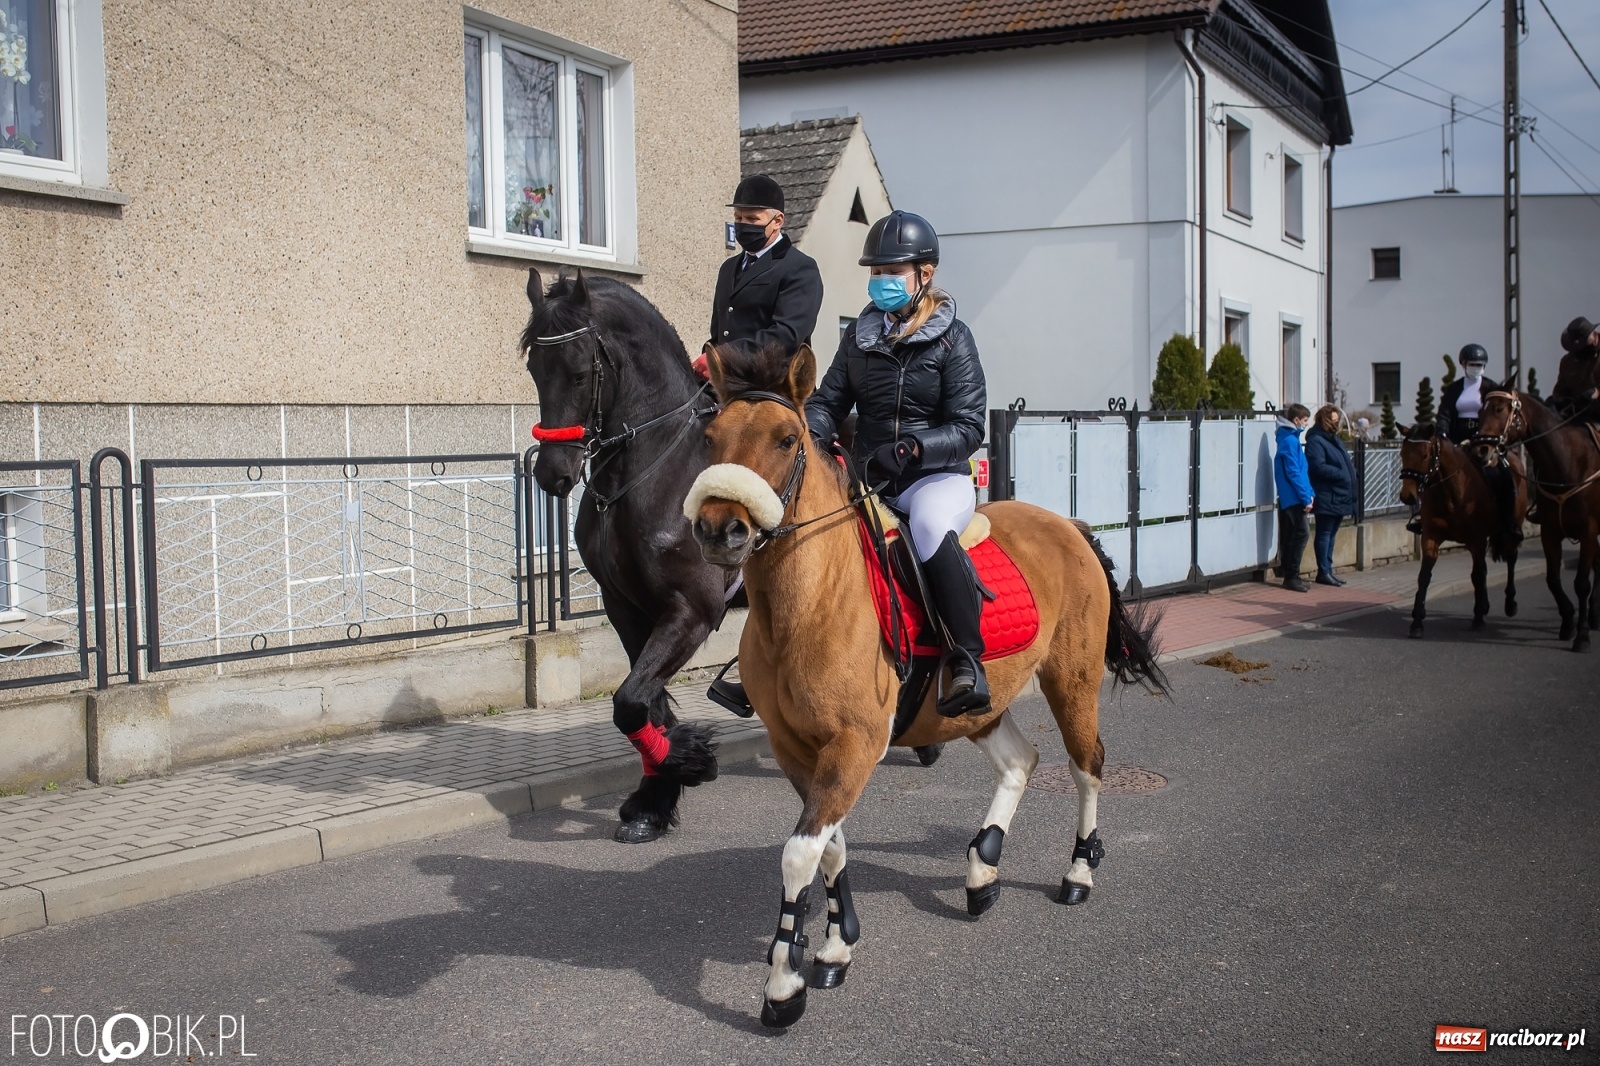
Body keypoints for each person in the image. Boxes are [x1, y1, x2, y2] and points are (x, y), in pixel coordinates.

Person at [807, 210, 989, 716]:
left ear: (924, 274)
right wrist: (808, 434)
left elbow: (969, 426)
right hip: (869, 477)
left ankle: (968, 661)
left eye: (892, 273)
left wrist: (913, 448)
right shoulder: (859, 338)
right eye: (876, 273)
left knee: (930, 526)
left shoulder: (956, 339)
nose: (881, 283)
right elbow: (827, 403)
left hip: (934, 480)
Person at [705, 174, 823, 365]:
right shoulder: (728, 268)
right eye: (738, 217)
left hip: (772, 379)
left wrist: (724, 357)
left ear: (777, 221)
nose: (743, 224)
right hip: (727, 377)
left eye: (752, 219)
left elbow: (786, 336)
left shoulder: (799, 268)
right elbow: (720, 333)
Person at [1304, 405, 1356, 587]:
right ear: (1324, 421)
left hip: (1338, 494)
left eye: (1337, 420)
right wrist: (1342, 473)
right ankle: (1323, 571)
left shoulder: (1332, 439)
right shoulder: (1316, 441)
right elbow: (1318, 467)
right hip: (1328, 494)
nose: (1336, 424)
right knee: (1325, 533)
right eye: (1333, 421)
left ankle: (1328, 569)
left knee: (1331, 534)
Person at [1273, 403, 1315, 593]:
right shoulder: (1290, 441)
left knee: (1292, 535)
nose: (1306, 424)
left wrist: (1309, 494)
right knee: (1301, 534)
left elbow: (1300, 471)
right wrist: (1306, 497)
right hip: (1293, 497)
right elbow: (1294, 472)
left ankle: (1289, 573)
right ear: (1296, 420)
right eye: (1305, 421)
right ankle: (1292, 575)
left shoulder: (1290, 439)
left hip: (1295, 496)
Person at [1436, 343, 1500, 446]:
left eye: (1479, 365)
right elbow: (1444, 414)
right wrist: (1442, 431)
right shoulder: (1453, 389)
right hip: (1457, 435)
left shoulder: (1492, 387)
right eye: (1472, 365)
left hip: (1483, 435)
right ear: (1463, 364)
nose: (1475, 368)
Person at [1551, 316, 1600, 420]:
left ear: (1594, 335)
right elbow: (1560, 389)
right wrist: (1560, 399)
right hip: (1578, 414)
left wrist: (1597, 392)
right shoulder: (1567, 362)